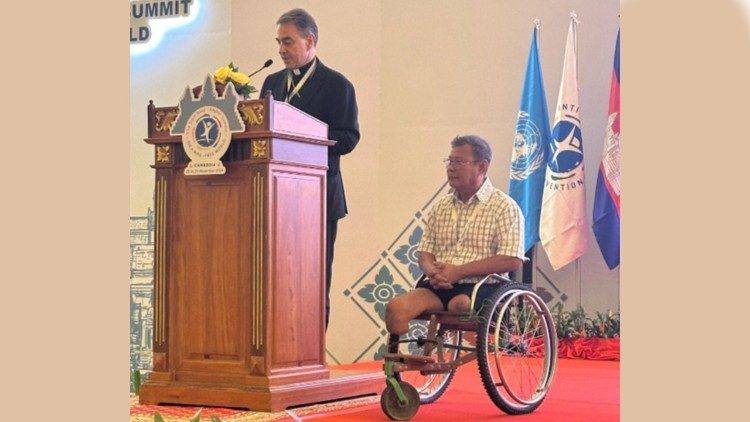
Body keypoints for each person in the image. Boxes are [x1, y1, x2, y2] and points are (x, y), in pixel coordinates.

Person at [261, 8, 360, 330]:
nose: (281, 50)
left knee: (313, 279)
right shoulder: (271, 82)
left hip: (317, 197)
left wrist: (304, 135)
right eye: (278, 42)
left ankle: (313, 351)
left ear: (310, 40)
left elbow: (348, 138)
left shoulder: (336, 85)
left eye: (287, 41)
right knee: (274, 279)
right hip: (274, 198)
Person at [385, 135, 525, 337]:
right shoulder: (440, 206)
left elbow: (512, 260)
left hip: (481, 287)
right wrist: (433, 271)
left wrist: (459, 271)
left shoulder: (504, 206)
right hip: (438, 286)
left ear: (482, 167)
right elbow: (425, 252)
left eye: (459, 162)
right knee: (396, 308)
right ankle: (398, 363)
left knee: (459, 305)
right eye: (449, 161)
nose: (451, 167)